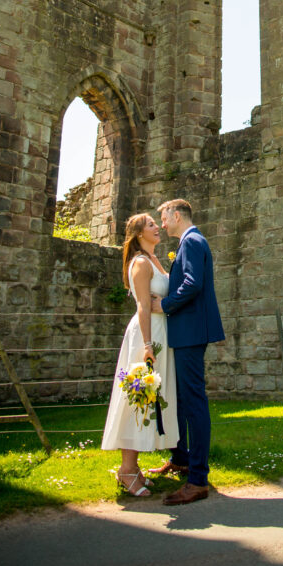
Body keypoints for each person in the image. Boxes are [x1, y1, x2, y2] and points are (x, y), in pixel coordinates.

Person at [150, 198, 225, 505]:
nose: (163, 224)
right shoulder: (188, 242)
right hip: (186, 331)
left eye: (165, 219)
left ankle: (198, 480)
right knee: (180, 399)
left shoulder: (192, 241)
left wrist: (164, 305)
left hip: (192, 332)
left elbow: (192, 284)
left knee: (193, 401)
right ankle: (181, 458)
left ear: (177, 216)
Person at [101, 212, 179, 495]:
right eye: (150, 225)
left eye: (156, 223)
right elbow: (143, 306)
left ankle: (135, 468)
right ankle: (126, 470)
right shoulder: (141, 263)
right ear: (137, 234)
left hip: (162, 333)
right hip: (147, 335)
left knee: (154, 399)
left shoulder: (156, 260)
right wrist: (147, 345)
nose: (157, 226)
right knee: (140, 398)